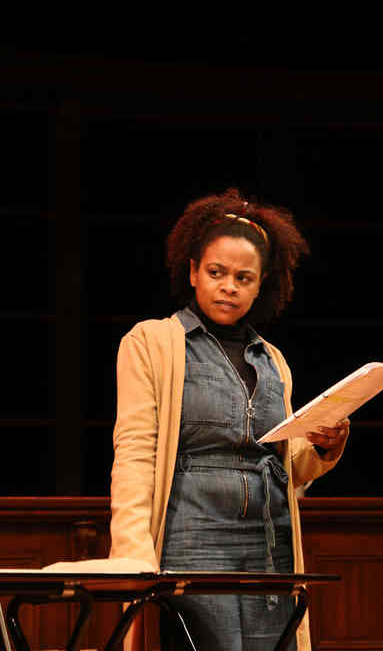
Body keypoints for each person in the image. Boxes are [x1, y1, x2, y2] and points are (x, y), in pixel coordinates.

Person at [109, 188, 349, 651]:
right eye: (216, 272)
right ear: (193, 272)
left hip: (269, 541)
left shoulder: (272, 359)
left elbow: (289, 465)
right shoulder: (152, 342)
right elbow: (136, 452)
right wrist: (132, 551)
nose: (229, 286)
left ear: (261, 285)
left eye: (244, 277)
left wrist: (322, 444)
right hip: (192, 536)